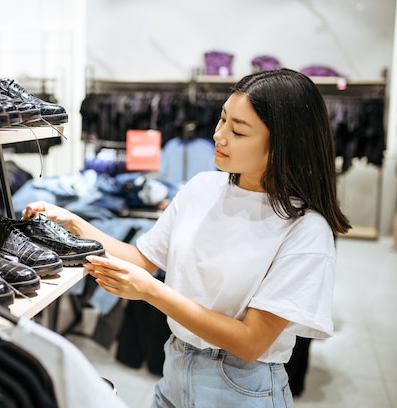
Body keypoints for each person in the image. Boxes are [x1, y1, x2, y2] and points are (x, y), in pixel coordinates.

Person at [22, 68, 350, 407]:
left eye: (238, 131)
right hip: (175, 370)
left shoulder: (306, 231)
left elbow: (251, 341)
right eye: (222, 120)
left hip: (244, 388)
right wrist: (73, 224)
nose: (219, 135)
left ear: (282, 144)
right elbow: (143, 259)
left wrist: (151, 292)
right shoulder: (202, 188)